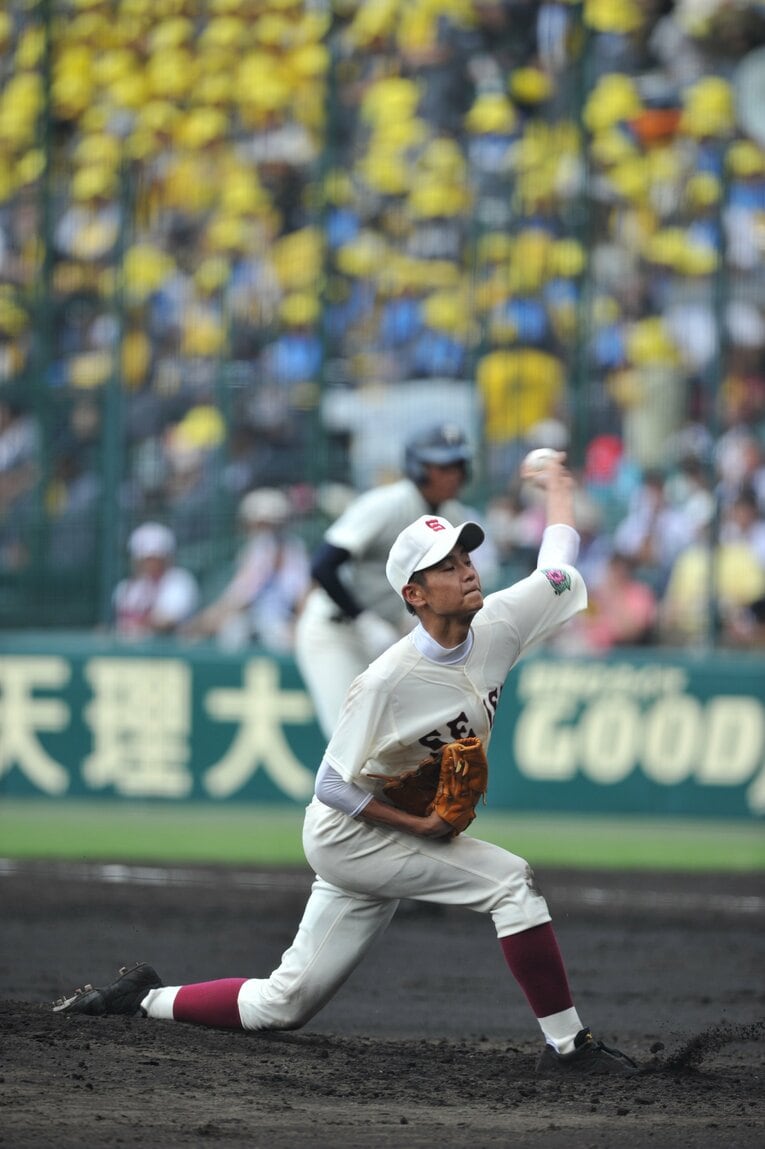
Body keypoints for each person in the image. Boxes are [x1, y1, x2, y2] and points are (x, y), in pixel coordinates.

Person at [53, 453, 638, 1077]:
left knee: (285, 1003)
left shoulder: (502, 618)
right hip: (348, 835)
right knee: (509, 881)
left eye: (467, 557)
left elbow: (558, 564)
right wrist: (419, 828)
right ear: (413, 594)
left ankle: (139, 999)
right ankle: (570, 1048)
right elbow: (329, 785)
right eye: (446, 566)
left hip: (378, 832)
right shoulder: (385, 681)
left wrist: (557, 488)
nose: (467, 571)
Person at [295, 423, 497, 737]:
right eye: (444, 465)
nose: (454, 474)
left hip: (387, 635)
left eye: (459, 465)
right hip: (336, 630)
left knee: (401, 739)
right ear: (419, 468)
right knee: (349, 738)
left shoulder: (453, 517)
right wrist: (363, 619)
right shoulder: (387, 504)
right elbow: (323, 566)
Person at [182, 487, 311, 653]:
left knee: (275, 634)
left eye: (266, 524)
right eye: (257, 524)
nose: (258, 529)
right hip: (254, 620)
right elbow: (238, 597)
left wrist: (204, 622)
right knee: (233, 631)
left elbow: (301, 597)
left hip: (281, 622)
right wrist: (204, 622)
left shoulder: (293, 551)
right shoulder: (256, 550)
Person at [113, 522, 199, 639]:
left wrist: (138, 624)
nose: (150, 564)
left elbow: (167, 621)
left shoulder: (179, 581)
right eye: (145, 559)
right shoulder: (126, 587)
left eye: (155, 558)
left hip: (169, 652)